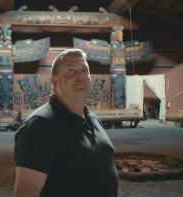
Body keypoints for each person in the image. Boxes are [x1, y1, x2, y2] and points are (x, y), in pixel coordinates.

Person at [14, 49, 118, 197]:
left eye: (84, 70)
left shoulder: (94, 120)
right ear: (54, 80)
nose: (80, 75)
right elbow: (26, 194)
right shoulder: (40, 125)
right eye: (71, 70)